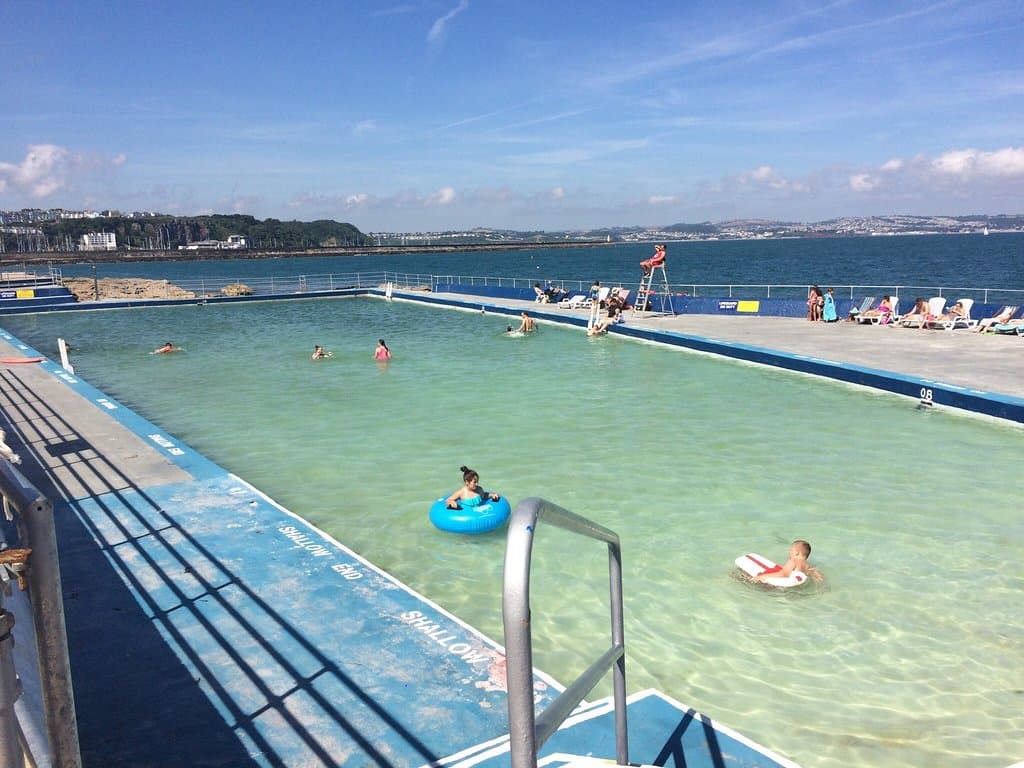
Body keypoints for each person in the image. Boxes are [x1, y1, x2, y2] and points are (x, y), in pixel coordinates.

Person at [753, 540, 823, 583]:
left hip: (786, 584)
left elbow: (783, 574)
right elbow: (815, 573)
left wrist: (761, 577)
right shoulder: (807, 565)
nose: (789, 553)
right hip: (797, 583)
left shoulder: (793, 560)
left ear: (796, 553)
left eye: (790, 551)